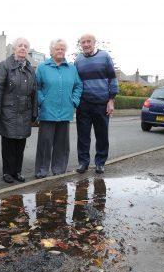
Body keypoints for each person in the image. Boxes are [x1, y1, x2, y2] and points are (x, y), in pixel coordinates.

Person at [0, 38, 37, 184]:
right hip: (9, 110)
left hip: (25, 111)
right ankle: (7, 173)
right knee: (9, 143)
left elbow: (34, 91)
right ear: (14, 49)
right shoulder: (5, 65)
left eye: (25, 46)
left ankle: (17, 171)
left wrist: (34, 112)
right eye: (20, 46)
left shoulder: (30, 68)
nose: (23, 48)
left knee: (21, 143)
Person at [34, 39, 82, 179]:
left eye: (62, 49)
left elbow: (78, 86)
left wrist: (74, 101)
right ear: (51, 51)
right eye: (57, 49)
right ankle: (42, 170)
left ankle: (59, 169)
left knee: (62, 144)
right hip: (47, 111)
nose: (60, 51)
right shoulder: (42, 67)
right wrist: (42, 100)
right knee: (45, 143)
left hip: (65, 111)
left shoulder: (72, 69)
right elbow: (36, 87)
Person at [74, 33, 119, 174]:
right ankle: (83, 163)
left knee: (102, 136)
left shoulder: (104, 56)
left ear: (94, 43)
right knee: (83, 136)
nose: (86, 44)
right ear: (80, 44)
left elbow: (113, 78)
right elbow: (76, 82)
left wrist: (111, 100)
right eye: (83, 42)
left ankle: (100, 163)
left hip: (101, 103)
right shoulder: (78, 60)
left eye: (89, 41)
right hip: (84, 104)